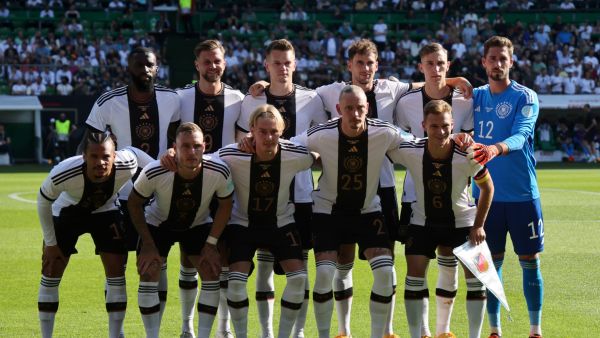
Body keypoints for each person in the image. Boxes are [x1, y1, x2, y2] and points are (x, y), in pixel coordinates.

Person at [250, 39, 473, 337]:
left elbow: (425, 93)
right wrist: (265, 87)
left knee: (386, 263)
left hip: (379, 193)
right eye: (359, 63)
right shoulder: (328, 94)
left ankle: (386, 330)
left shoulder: (390, 92)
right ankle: (340, 330)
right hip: (333, 200)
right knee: (336, 266)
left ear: (377, 67)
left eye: (370, 63)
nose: (365, 69)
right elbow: (290, 99)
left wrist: (452, 83)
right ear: (349, 68)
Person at [293, 85, 407, 338]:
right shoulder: (322, 134)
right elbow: (290, 145)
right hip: (327, 212)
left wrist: (454, 140)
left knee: (386, 273)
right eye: (349, 108)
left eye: (360, 108)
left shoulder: (383, 131)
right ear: (338, 110)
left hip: (367, 210)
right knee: (324, 273)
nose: (355, 114)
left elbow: (417, 144)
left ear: (367, 108)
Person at [85, 46, 181, 332]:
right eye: (139, 65)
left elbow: (178, 136)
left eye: (149, 65)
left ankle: (155, 329)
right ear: (129, 68)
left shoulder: (171, 99)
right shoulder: (107, 102)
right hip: (119, 197)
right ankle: (116, 331)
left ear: (157, 66)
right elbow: (88, 145)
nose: (145, 70)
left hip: (158, 197)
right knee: (116, 268)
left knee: (157, 264)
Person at [237, 39, 327, 338]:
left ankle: (297, 332)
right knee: (262, 269)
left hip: (300, 196)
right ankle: (265, 333)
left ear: (295, 64)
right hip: (258, 196)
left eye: (287, 62)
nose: (283, 67)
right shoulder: (252, 100)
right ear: (267, 65)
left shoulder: (312, 98)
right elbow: (240, 138)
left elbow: (324, 139)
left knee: (298, 270)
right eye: (276, 62)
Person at [388, 100, 493, 338]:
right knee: (414, 278)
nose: (440, 131)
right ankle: (419, 334)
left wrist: (478, 225)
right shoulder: (411, 150)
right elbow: (386, 139)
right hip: (422, 223)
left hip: (463, 224)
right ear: (424, 125)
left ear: (453, 125)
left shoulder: (468, 154)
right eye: (434, 126)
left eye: (445, 126)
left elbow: (488, 188)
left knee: (477, 283)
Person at [36, 131, 153, 338]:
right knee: (51, 270)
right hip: (67, 212)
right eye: (94, 156)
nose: (100, 162)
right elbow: (43, 200)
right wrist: (51, 244)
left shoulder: (127, 163)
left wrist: (165, 161)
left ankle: (115, 335)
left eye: (106, 156)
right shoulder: (64, 173)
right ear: (84, 156)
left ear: (115, 155)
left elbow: (141, 157)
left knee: (117, 273)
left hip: (104, 210)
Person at [395, 43, 473, 338]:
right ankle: (423, 331)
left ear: (448, 65)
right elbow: (399, 136)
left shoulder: (465, 101)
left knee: (449, 260)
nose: (436, 68)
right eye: (430, 63)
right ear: (421, 66)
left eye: (441, 63)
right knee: (418, 264)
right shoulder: (406, 102)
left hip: (454, 195)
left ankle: (444, 330)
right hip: (416, 194)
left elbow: (468, 141)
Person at [469, 36, 545, 338]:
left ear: (510, 62)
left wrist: (495, 148)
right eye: (493, 59)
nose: (498, 64)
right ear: (484, 62)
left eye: (504, 59)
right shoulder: (473, 97)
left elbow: (522, 133)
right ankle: (494, 330)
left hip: (522, 195)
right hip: (485, 197)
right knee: (489, 263)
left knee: (529, 260)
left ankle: (535, 330)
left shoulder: (526, 97)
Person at [128, 122, 233, 338]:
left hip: (197, 224)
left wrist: (211, 244)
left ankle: (195, 333)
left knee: (212, 271)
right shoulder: (155, 170)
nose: (192, 152)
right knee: (149, 271)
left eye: (196, 146)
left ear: (205, 146)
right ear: (174, 148)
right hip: (158, 224)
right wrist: (147, 244)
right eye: (185, 146)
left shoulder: (219, 170)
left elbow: (226, 204)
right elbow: (134, 203)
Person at [218, 105, 315, 338]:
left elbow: (317, 157)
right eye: (262, 131)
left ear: (281, 130)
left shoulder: (295, 154)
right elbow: (204, 162)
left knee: (299, 278)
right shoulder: (231, 154)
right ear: (252, 129)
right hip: (243, 225)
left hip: (281, 224)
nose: (269, 137)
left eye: (274, 131)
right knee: (236, 282)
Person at [176, 39, 244, 338]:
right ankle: (187, 327)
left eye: (217, 61)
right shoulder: (180, 98)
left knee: (224, 258)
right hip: (187, 183)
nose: (212, 66)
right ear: (197, 65)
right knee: (187, 257)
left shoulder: (239, 99)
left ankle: (224, 329)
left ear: (224, 63)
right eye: (207, 61)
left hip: (224, 186)